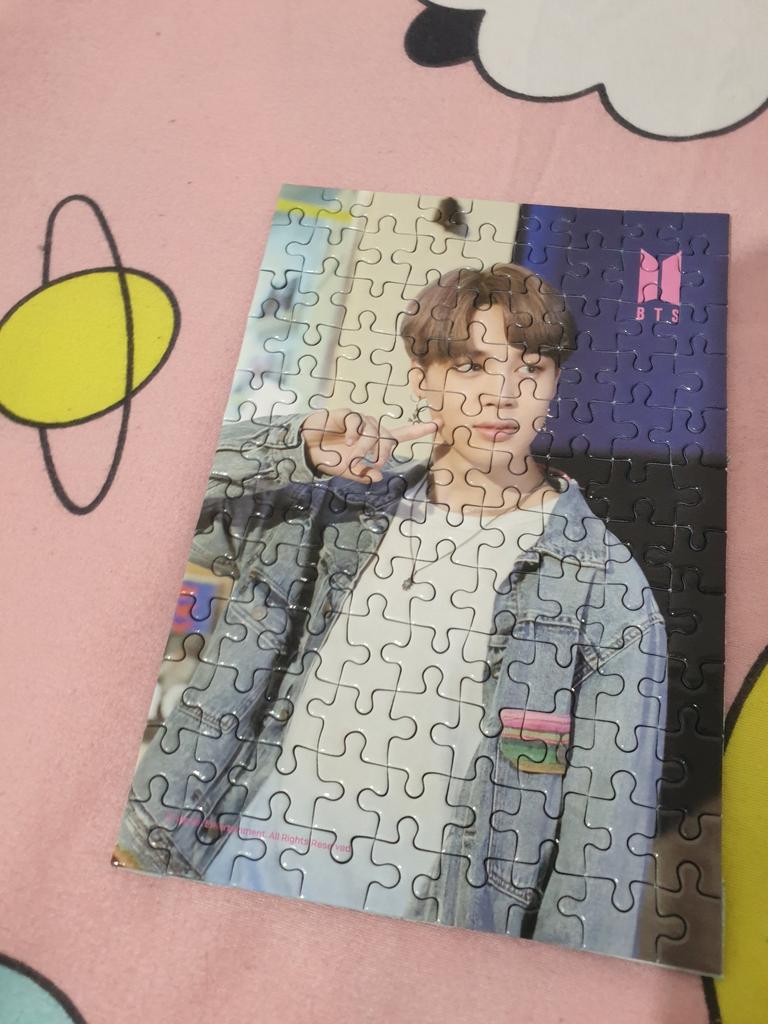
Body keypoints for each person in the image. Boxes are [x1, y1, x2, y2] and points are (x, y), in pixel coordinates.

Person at [113, 263, 668, 962]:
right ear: (421, 380)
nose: (502, 393)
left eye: (530, 368)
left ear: (555, 382)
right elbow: (136, 491)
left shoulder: (609, 592)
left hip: (409, 952)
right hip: (198, 878)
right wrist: (296, 446)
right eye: (470, 365)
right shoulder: (323, 517)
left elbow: (601, 861)